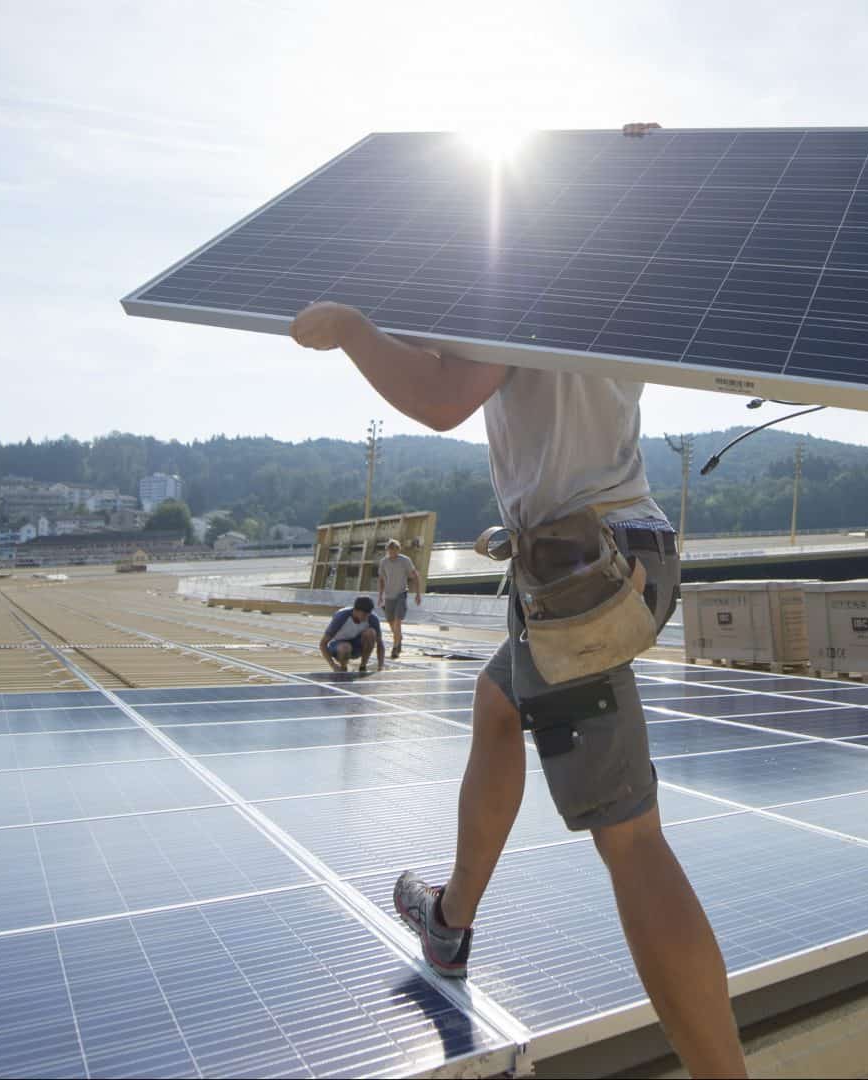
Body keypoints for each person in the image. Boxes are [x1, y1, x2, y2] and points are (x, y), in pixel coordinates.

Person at [290, 301, 747, 1078]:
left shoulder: (524, 280)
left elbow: (442, 398)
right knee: (498, 704)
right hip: (620, 550)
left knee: (630, 837)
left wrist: (354, 332)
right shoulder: (606, 279)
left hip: (580, 575)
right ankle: (449, 920)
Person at [377, 539, 422, 659]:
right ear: (387, 550)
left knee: (397, 620)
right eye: (390, 550)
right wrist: (380, 596)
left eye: (395, 550)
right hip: (388, 595)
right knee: (391, 622)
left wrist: (418, 594)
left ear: (398, 550)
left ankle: (395, 648)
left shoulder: (405, 560)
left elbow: (415, 575)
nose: (393, 553)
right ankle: (399, 638)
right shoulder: (383, 562)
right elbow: (381, 579)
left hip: (401, 594)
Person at [319, 595, 385, 674]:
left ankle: (363, 666)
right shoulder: (341, 617)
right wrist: (333, 665)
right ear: (356, 610)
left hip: (357, 647)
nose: (366, 617)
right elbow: (323, 644)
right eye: (364, 614)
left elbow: (380, 644)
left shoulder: (372, 618)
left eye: (368, 614)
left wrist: (380, 666)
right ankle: (343, 668)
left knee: (371, 633)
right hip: (338, 647)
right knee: (345, 647)